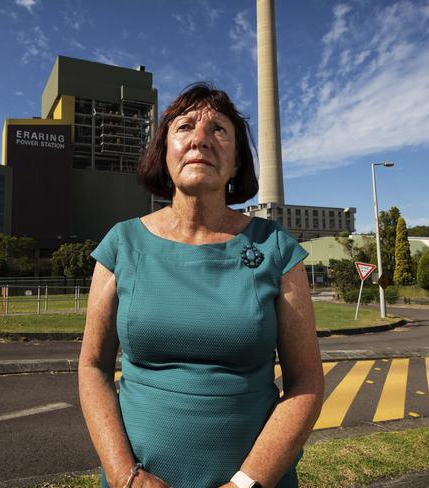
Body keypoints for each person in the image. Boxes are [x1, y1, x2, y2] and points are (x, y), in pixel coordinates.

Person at [78, 83, 324, 488]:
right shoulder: (121, 245)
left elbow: (307, 382)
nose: (200, 140)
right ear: (164, 152)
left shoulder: (275, 247)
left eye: (219, 130)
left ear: (236, 162)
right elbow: (92, 367)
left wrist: (248, 482)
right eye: (185, 126)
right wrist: (126, 477)